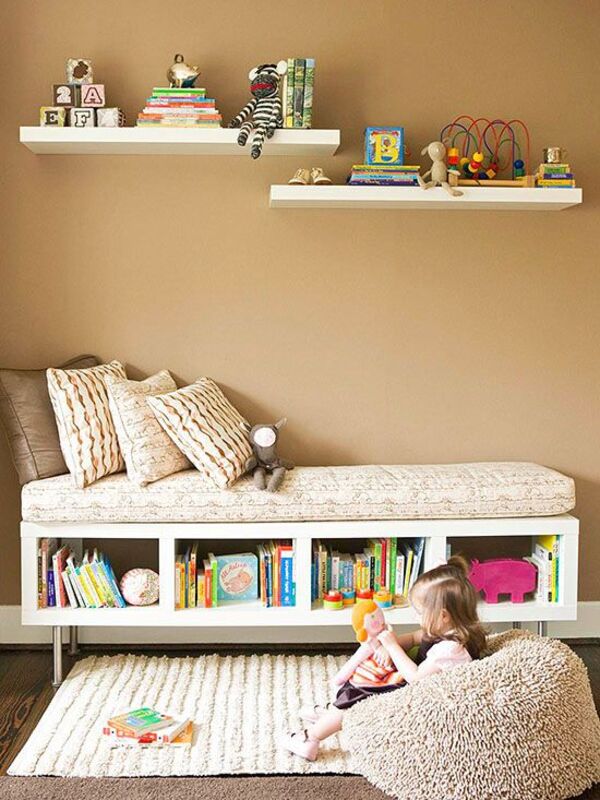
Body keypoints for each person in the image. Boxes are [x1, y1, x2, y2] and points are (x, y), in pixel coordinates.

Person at [282, 555, 487, 761]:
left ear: (443, 616)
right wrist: (388, 646)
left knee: (359, 693)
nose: (416, 618)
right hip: (408, 682)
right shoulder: (445, 631)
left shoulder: (451, 649)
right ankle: (332, 714)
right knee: (367, 670)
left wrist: (392, 646)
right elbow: (414, 638)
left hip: (414, 698)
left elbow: (416, 678)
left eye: (419, 613)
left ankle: (311, 737)